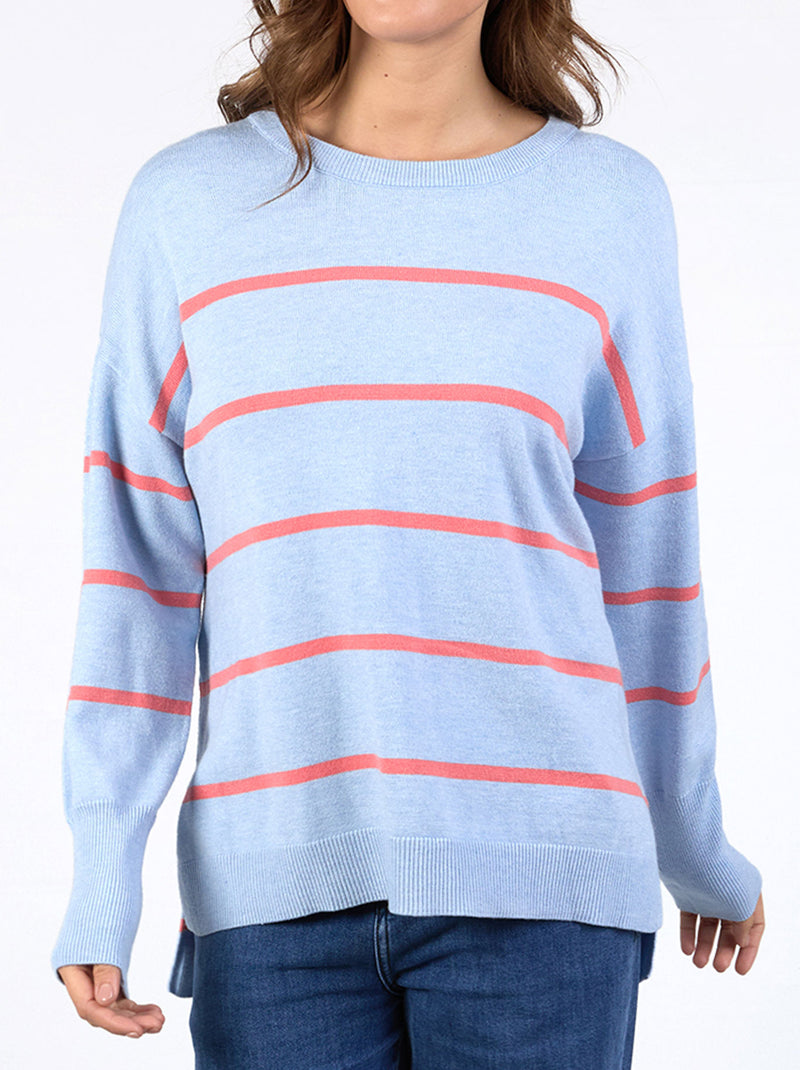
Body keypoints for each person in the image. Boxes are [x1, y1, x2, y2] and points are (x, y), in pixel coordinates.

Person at [51, 1, 765, 1066]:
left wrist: (693, 842)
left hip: (548, 894)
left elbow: (647, 564)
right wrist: (103, 874)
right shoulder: (188, 205)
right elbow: (138, 572)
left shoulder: (607, 205)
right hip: (269, 898)